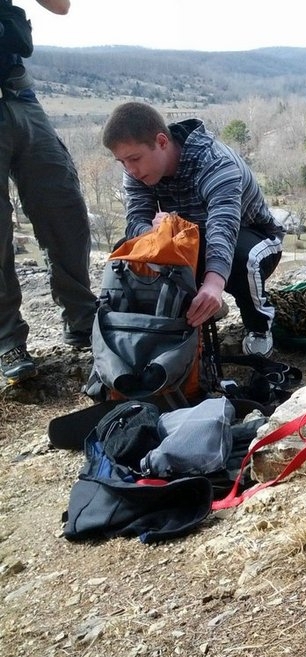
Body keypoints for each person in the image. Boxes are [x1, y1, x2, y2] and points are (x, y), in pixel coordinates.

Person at [101, 102, 285, 358]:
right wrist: (154, 234)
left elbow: (224, 227)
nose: (130, 170)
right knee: (129, 251)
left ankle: (258, 327)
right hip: (189, 241)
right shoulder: (136, 172)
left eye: (134, 159)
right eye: (122, 162)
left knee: (244, 258)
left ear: (162, 142)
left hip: (251, 236)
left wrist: (213, 284)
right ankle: (178, 316)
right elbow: (135, 220)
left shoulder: (216, 163)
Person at [1, 0, 98, 382]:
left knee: (65, 207)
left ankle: (80, 315)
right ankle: (8, 339)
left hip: (18, 93)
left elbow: (61, 6)